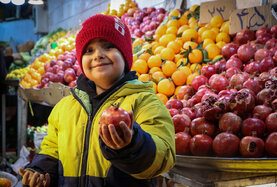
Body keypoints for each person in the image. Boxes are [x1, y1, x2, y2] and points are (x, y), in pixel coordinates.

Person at [19, 14, 175, 187]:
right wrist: (40, 171)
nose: (98, 55)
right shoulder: (65, 107)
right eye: (89, 50)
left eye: (108, 47)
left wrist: (132, 145)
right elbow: (51, 149)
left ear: (125, 56)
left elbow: (164, 157)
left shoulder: (145, 102)